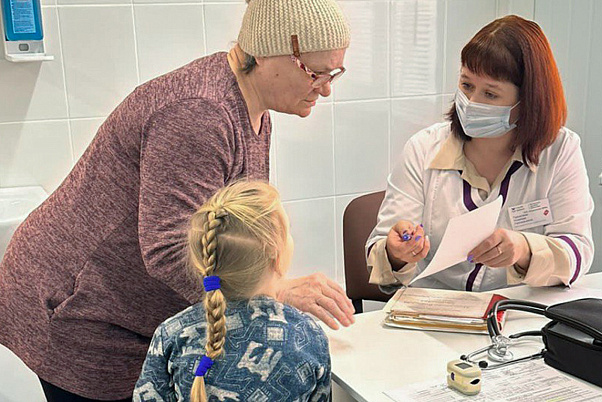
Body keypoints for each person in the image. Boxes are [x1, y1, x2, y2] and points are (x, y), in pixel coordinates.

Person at [0, 0, 353, 400]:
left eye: (334, 73)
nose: (326, 88)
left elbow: (229, 229)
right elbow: (170, 249)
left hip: (125, 311)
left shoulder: (252, 107)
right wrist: (275, 292)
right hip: (78, 309)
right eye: (316, 73)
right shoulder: (199, 114)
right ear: (268, 52)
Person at [366, 15, 594, 293]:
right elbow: (381, 253)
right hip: (432, 307)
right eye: (467, 85)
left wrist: (524, 250)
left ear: (528, 101)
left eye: (490, 94)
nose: (471, 103)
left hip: (516, 307)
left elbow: (577, 252)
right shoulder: (423, 148)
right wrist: (395, 252)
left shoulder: (559, 151)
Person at [133, 181, 330, 402]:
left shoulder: (171, 333)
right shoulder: (306, 335)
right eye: (288, 232)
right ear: (276, 253)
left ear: (204, 259)